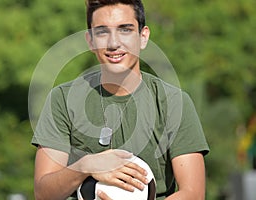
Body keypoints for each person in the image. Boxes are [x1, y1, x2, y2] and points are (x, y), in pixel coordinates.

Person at [31, 0, 209, 199]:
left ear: (143, 37)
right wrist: (85, 166)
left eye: (125, 30)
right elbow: (43, 194)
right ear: (90, 40)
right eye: (102, 32)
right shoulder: (62, 99)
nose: (113, 43)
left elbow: (193, 193)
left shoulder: (175, 102)